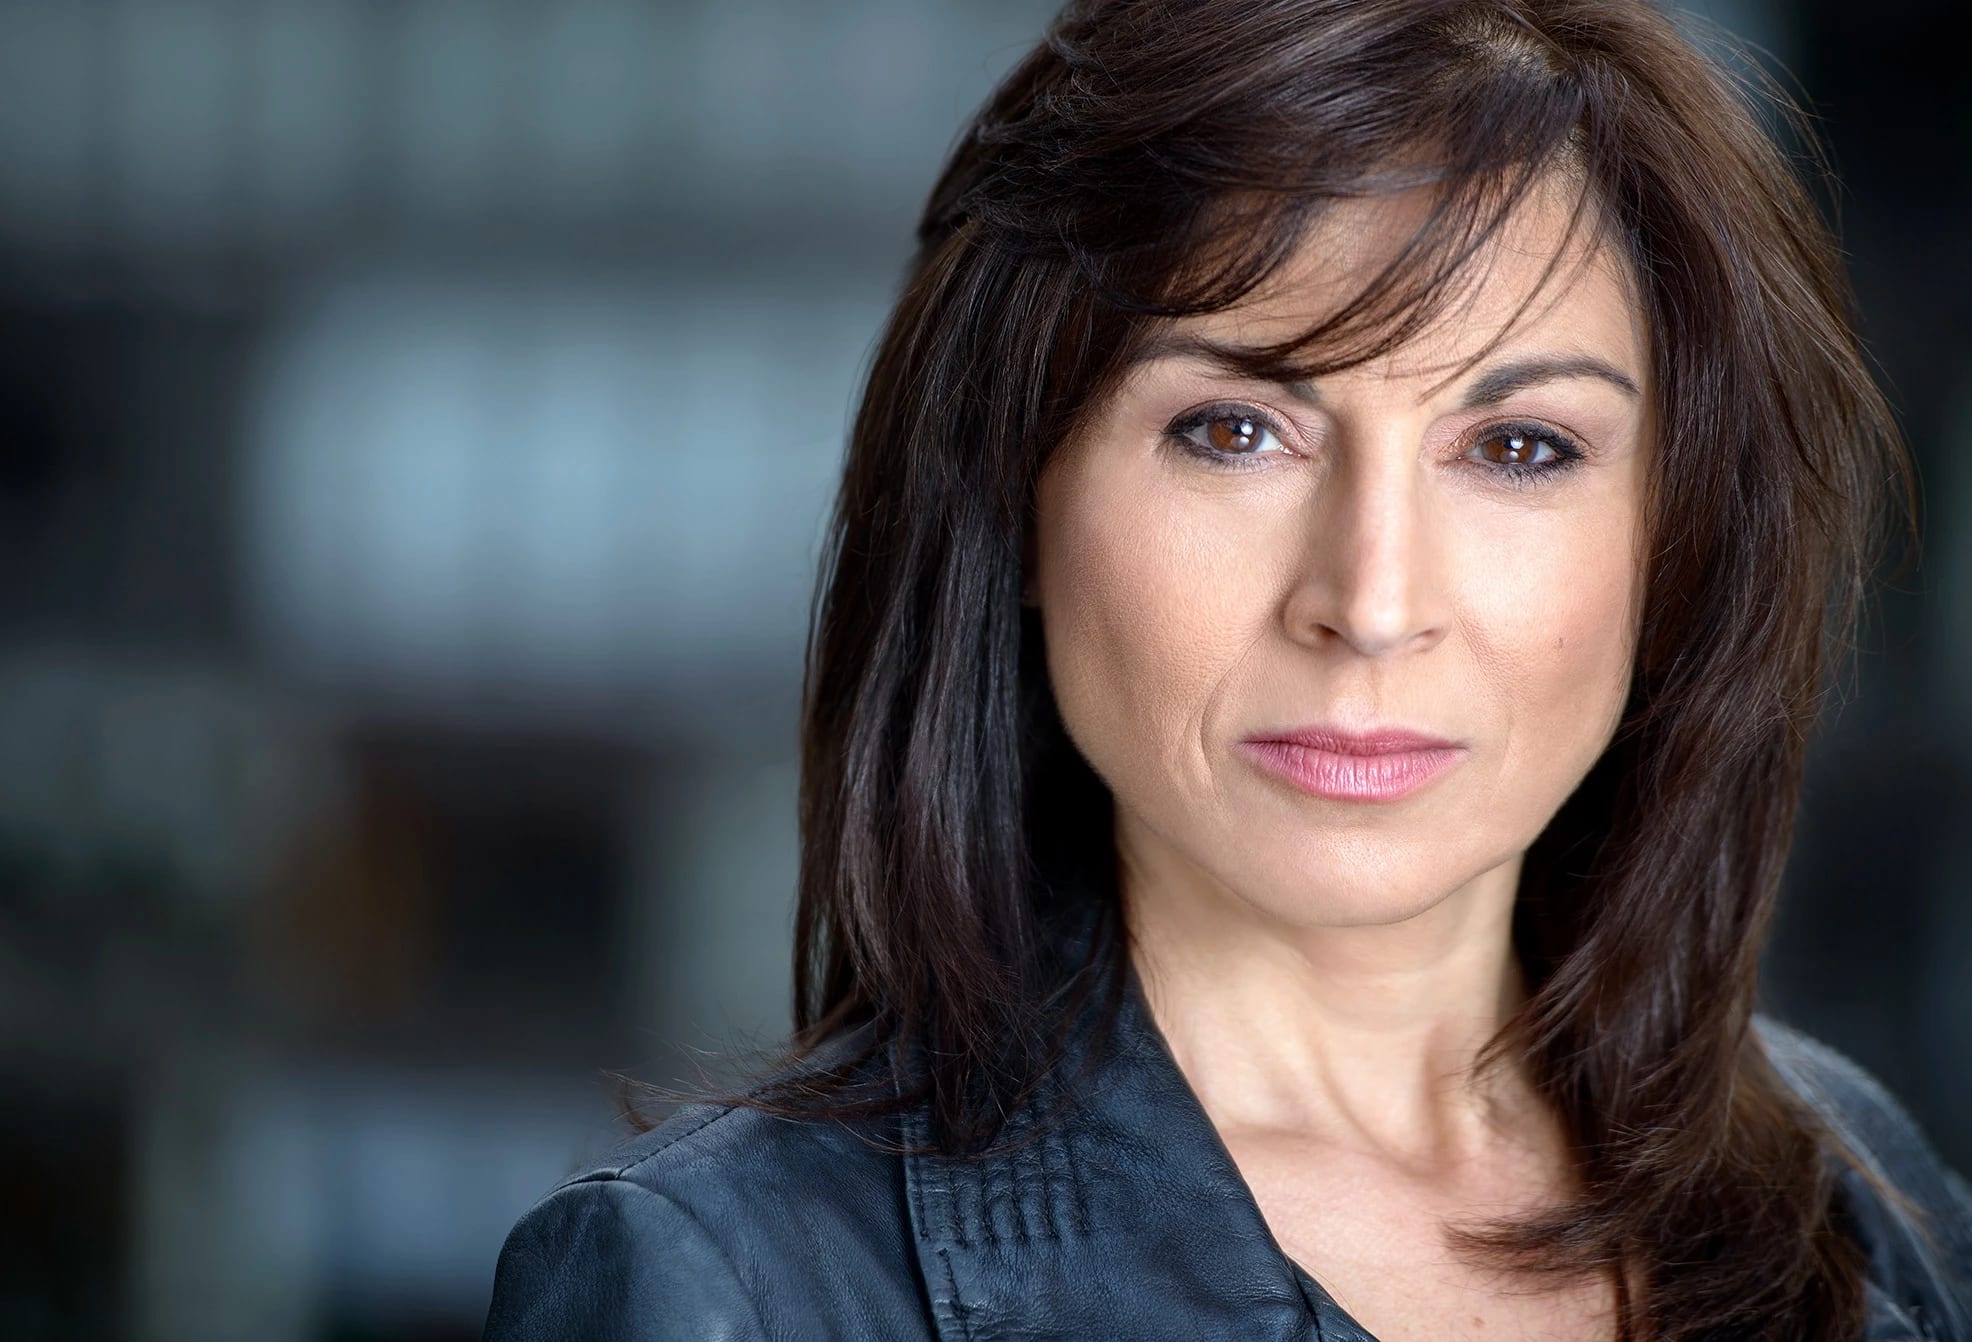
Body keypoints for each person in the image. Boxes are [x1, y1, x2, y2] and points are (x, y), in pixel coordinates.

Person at [482, 1, 1972, 1338]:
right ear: (1017, 493)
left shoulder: (1857, 1202)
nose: (1372, 600)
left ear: (1679, 545)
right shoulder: (724, 1284)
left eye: (1521, 448)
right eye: (1235, 431)